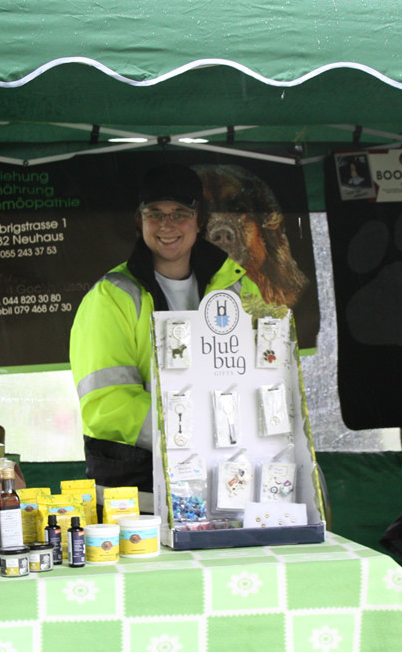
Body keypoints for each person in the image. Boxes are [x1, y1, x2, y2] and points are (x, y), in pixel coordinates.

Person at [69, 164, 263, 494]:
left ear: (199, 221)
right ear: (140, 221)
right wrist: (191, 429)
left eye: (180, 213)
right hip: (138, 489)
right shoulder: (111, 297)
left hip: (228, 479)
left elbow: (266, 379)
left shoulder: (240, 290)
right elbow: (106, 403)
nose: (166, 225)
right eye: (154, 214)